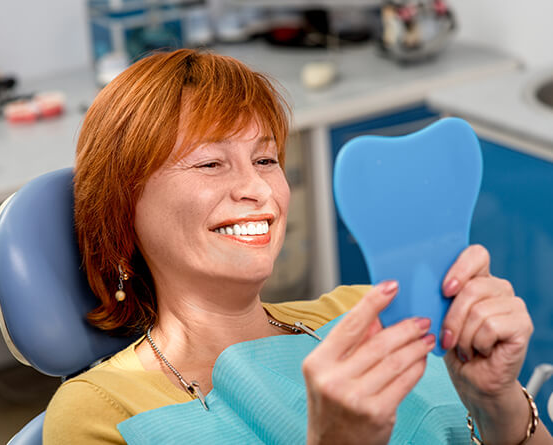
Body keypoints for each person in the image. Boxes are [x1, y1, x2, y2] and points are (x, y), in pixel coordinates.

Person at [43, 48, 552, 445]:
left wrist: (499, 403)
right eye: (210, 163)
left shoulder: (367, 312)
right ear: (122, 208)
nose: (260, 191)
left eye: (266, 161)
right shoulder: (101, 412)